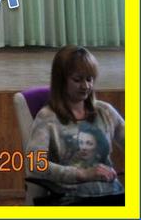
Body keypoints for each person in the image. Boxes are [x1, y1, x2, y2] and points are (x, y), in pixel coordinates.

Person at [25, 45, 124, 206]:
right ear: (61, 81)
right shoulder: (47, 117)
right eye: (77, 80)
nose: (85, 86)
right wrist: (82, 174)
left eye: (89, 79)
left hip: (114, 194)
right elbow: (35, 163)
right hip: (72, 199)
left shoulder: (105, 111)